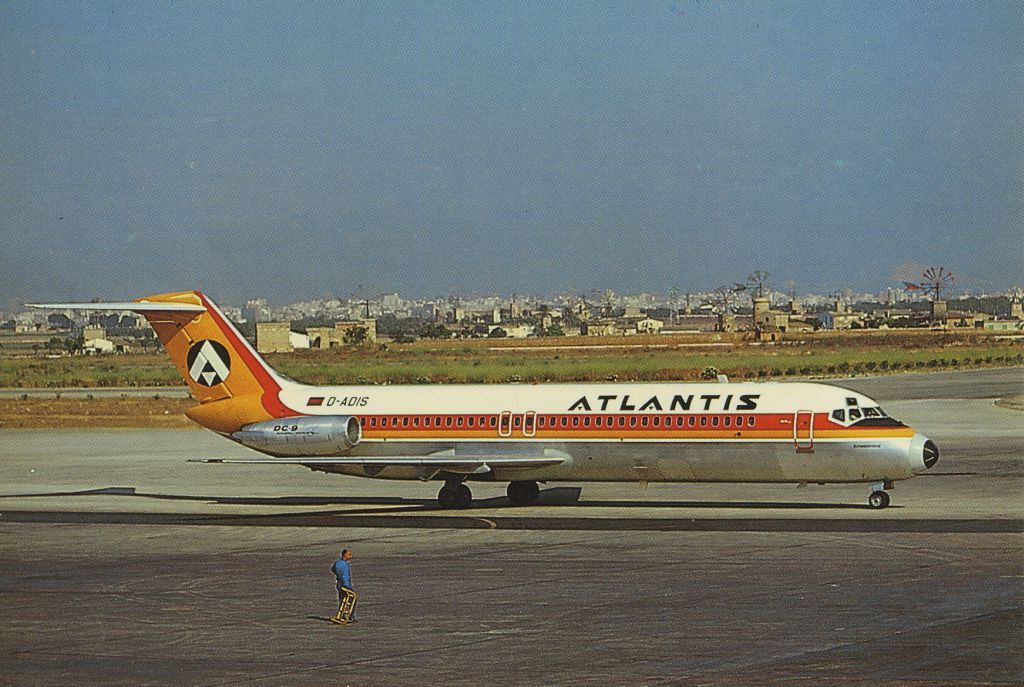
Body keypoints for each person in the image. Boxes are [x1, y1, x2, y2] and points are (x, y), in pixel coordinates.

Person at [331, 548, 358, 624]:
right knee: (352, 599)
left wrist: (337, 574)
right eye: (349, 555)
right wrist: (348, 586)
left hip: (339, 584)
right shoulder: (345, 564)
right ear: (345, 554)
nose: (350, 556)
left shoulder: (337, 562)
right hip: (345, 584)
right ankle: (351, 617)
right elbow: (345, 577)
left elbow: (333, 569)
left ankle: (341, 615)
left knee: (342, 599)